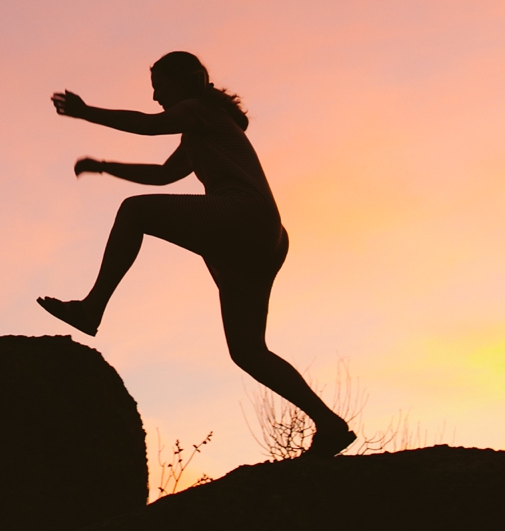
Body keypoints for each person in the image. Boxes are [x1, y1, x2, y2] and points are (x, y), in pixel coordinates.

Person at [38, 51, 354, 457]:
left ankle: (91, 309)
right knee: (247, 351)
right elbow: (164, 174)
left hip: (243, 215)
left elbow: (150, 125)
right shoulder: (202, 127)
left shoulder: (199, 109)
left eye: (160, 86)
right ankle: (329, 424)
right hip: (267, 237)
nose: (155, 97)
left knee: (136, 211)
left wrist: (87, 113)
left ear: (188, 80)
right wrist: (106, 166)